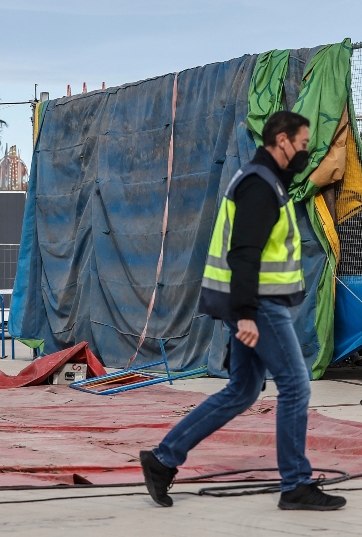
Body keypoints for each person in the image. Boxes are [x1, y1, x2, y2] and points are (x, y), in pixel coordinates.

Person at [140, 111, 346, 511]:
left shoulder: (265, 182)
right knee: (296, 386)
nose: (306, 151)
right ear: (282, 141)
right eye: (302, 144)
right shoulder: (259, 186)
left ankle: (163, 459)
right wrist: (247, 314)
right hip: (259, 304)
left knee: (242, 390)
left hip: (254, 302)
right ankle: (296, 485)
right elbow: (245, 254)